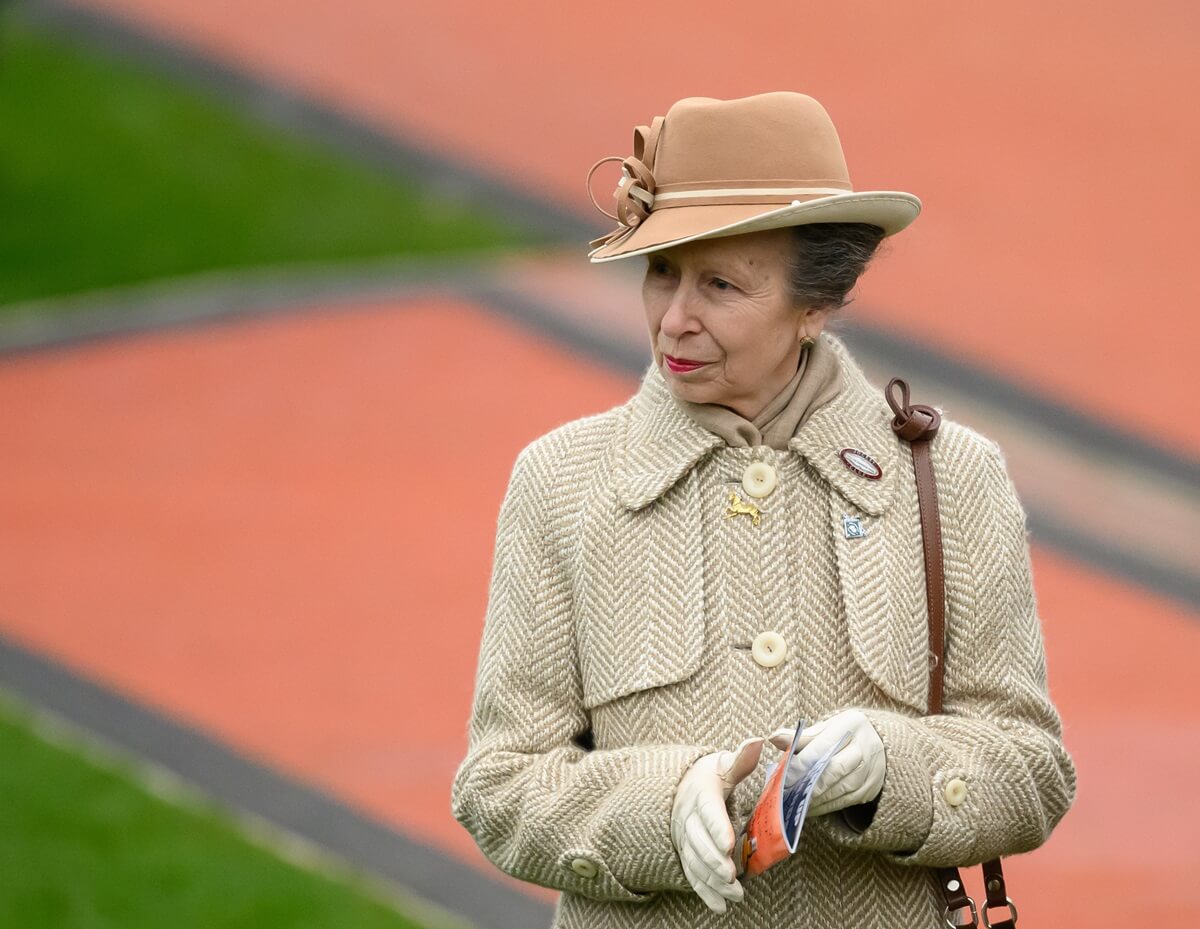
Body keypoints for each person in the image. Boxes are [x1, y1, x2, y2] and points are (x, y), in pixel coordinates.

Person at [451, 91, 1076, 928]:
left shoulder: (955, 477)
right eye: (662, 272)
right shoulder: (560, 482)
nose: (675, 319)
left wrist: (896, 769)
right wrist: (661, 809)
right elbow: (500, 786)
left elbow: (1032, 770)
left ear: (815, 302)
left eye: (720, 284)